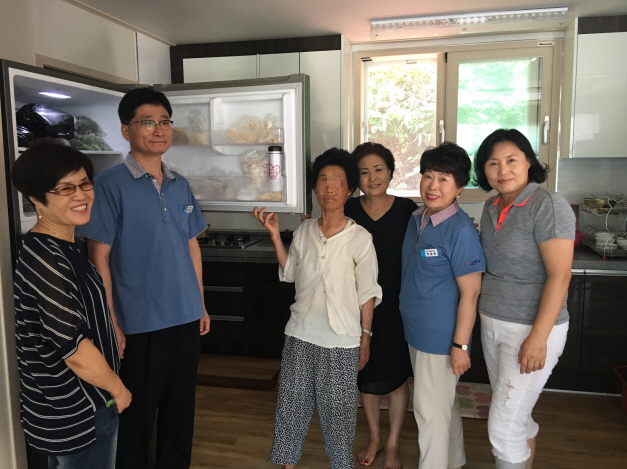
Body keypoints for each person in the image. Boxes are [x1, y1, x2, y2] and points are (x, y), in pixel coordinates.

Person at [75, 88, 210, 469]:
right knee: (136, 417)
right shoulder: (109, 185)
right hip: (138, 324)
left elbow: (191, 246)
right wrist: (111, 321)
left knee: (180, 413)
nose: (159, 130)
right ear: (126, 130)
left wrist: (200, 302)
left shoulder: (179, 183)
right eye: (147, 122)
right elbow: (98, 258)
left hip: (185, 318)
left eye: (165, 121)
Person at [251, 148, 382, 469]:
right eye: (323, 179)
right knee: (291, 404)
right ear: (315, 188)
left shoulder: (360, 238)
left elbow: (367, 292)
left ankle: (340, 463)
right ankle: (287, 462)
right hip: (300, 332)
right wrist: (275, 237)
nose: (329, 186)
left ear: (349, 190)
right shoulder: (304, 231)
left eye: (338, 180)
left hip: (342, 339)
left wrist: (365, 336)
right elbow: (291, 273)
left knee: (339, 412)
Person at [11, 142, 132, 469]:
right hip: (77, 409)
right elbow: (73, 348)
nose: (81, 195)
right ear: (37, 198)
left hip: (71, 405)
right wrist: (118, 389)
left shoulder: (63, 246)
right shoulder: (47, 259)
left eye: (84, 183)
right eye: (65, 188)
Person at [474, 129, 574, 469]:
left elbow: (560, 276)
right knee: (515, 414)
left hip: (529, 329)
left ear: (529, 162)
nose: (503, 170)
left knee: (503, 429)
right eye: (493, 163)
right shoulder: (490, 206)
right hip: (492, 324)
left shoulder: (548, 205)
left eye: (511, 160)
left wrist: (538, 338)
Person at [399, 142, 485, 469]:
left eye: (444, 179)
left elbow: (471, 294)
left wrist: (460, 345)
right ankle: (455, 460)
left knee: (429, 412)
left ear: (459, 187)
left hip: (440, 339)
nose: (433, 185)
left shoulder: (460, 230)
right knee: (441, 405)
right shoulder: (417, 217)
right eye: (428, 176)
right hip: (416, 332)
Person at [344, 142, 415, 469]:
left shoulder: (408, 210)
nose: (372, 178)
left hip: (397, 306)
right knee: (367, 373)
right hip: (358, 305)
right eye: (364, 172)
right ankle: (374, 437)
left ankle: (393, 443)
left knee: (396, 376)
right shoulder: (348, 209)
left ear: (390, 172)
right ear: (355, 178)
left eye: (378, 170)